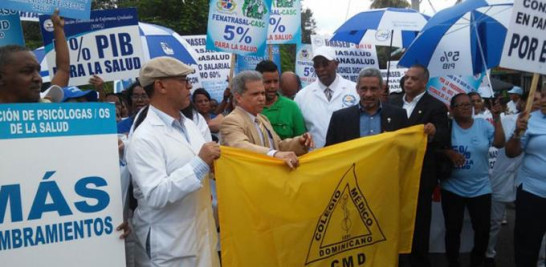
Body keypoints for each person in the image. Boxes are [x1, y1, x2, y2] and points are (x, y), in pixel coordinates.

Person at [126, 57, 220, 267]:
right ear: (160, 86)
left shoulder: (191, 125)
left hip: (200, 238)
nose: (189, 86)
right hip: (169, 247)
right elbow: (156, 193)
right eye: (183, 80)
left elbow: (200, 166)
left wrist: (210, 167)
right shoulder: (144, 137)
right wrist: (200, 163)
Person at [389, 64, 449, 267]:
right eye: (406, 77)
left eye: (413, 78)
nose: (408, 81)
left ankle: (418, 260)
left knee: (419, 220)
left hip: (420, 174)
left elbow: (444, 136)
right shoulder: (392, 101)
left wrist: (434, 132)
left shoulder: (436, 106)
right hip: (392, 171)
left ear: (424, 82)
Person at [442, 93, 505, 267]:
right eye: (461, 105)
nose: (466, 108)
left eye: (469, 104)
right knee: (453, 230)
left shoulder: (483, 125)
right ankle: (453, 261)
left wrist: (497, 118)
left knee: (483, 230)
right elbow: (436, 148)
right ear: (452, 109)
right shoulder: (447, 126)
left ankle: (477, 261)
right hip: (452, 188)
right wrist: (449, 152)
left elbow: (499, 144)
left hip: (481, 188)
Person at [485, 91, 542, 266]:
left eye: (542, 99)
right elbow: (502, 145)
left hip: (526, 183)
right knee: (494, 221)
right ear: (523, 102)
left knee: (532, 227)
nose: (539, 103)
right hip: (503, 176)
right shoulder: (508, 119)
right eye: (535, 99)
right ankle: (489, 253)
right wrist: (502, 122)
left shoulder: (540, 123)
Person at [220, 70, 314, 169]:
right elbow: (240, 146)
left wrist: (299, 142)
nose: (261, 98)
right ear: (238, 97)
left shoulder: (262, 119)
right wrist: (274, 154)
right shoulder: (231, 121)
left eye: (262, 93)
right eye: (255, 94)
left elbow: (278, 145)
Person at [505, 88, 546, 267]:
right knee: (527, 245)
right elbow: (511, 152)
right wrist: (516, 132)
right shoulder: (529, 119)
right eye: (544, 96)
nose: (544, 100)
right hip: (532, 192)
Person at [294, 46, 358, 148]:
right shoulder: (301, 96)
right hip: (317, 158)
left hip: (348, 156)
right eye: (317, 65)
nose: (321, 69)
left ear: (336, 64)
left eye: (325, 64)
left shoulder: (355, 90)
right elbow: (299, 132)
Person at [325, 67, 408, 145]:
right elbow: (330, 152)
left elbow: (406, 147)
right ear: (357, 89)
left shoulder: (399, 115)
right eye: (364, 89)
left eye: (373, 89)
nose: (368, 94)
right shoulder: (339, 118)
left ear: (381, 89)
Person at [0, 10, 69, 103]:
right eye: (27, 71)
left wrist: (58, 28)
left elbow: (63, 69)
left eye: (38, 71)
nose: (38, 78)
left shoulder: (44, 108)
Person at [255, 60, 306, 139]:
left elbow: (302, 141)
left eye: (276, 81)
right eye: (268, 82)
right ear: (257, 82)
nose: (273, 86)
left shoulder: (291, 107)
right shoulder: (250, 107)